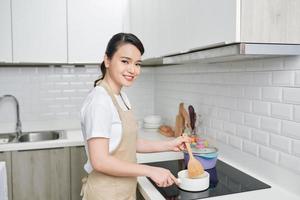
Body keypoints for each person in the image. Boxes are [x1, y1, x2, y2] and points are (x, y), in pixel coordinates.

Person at [80, 33, 190, 200]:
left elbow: (130, 142)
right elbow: (99, 160)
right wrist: (150, 170)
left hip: (124, 190)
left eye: (137, 64)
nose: (133, 70)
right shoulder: (100, 101)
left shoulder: (121, 97)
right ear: (107, 60)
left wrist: (169, 144)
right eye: (125, 61)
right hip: (106, 193)